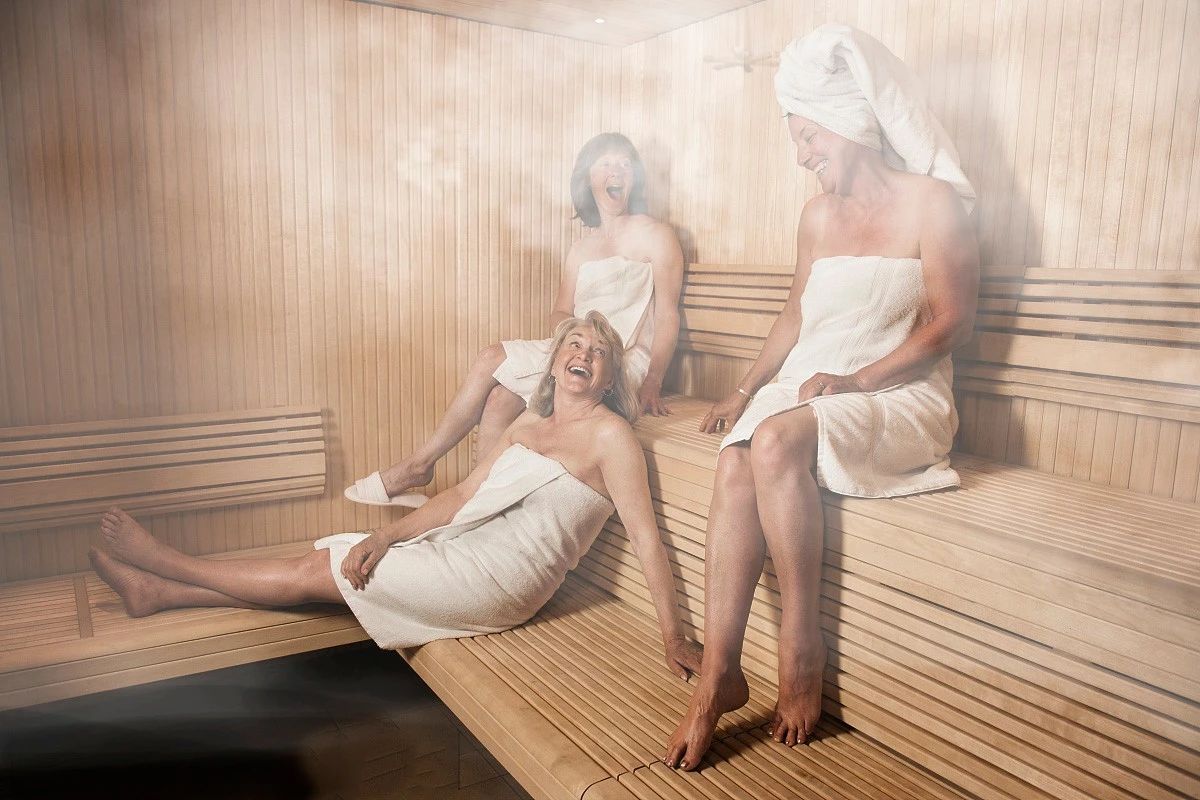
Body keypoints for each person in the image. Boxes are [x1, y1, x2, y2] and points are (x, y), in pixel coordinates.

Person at [663, 23, 979, 770]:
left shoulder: (932, 203)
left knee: (773, 441)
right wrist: (743, 391)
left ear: (849, 122)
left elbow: (952, 321)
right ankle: (718, 677)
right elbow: (794, 315)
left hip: (900, 394)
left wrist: (857, 381)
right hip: (814, 385)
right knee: (737, 455)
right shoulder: (816, 216)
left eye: (808, 137)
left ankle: (802, 649)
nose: (802, 156)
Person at [90, 312, 703, 678]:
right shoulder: (528, 424)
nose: (583, 355)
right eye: (574, 344)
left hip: (504, 581)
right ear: (555, 361)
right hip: (467, 547)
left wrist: (674, 635)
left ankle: (166, 563)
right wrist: (384, 534)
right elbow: (461, 496)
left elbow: (647, 540)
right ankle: (161, 592)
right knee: (335, 563)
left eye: (599, 352)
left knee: (318, 570)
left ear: (609, 377)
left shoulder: (611, 437)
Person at [345, 133, 685, 508]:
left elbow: (668, 315)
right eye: (605, 163)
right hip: (576, 349)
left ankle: (420, 466)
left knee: (492, 357)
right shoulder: (582, 248)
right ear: (588, 179)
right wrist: (572, 337)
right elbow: (559, 311)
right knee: (498, 400)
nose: (616, 170)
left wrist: (654, 380)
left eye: (624, 163)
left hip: (620, 360)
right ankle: (474, 505)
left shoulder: (656, 235)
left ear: (635, 177)